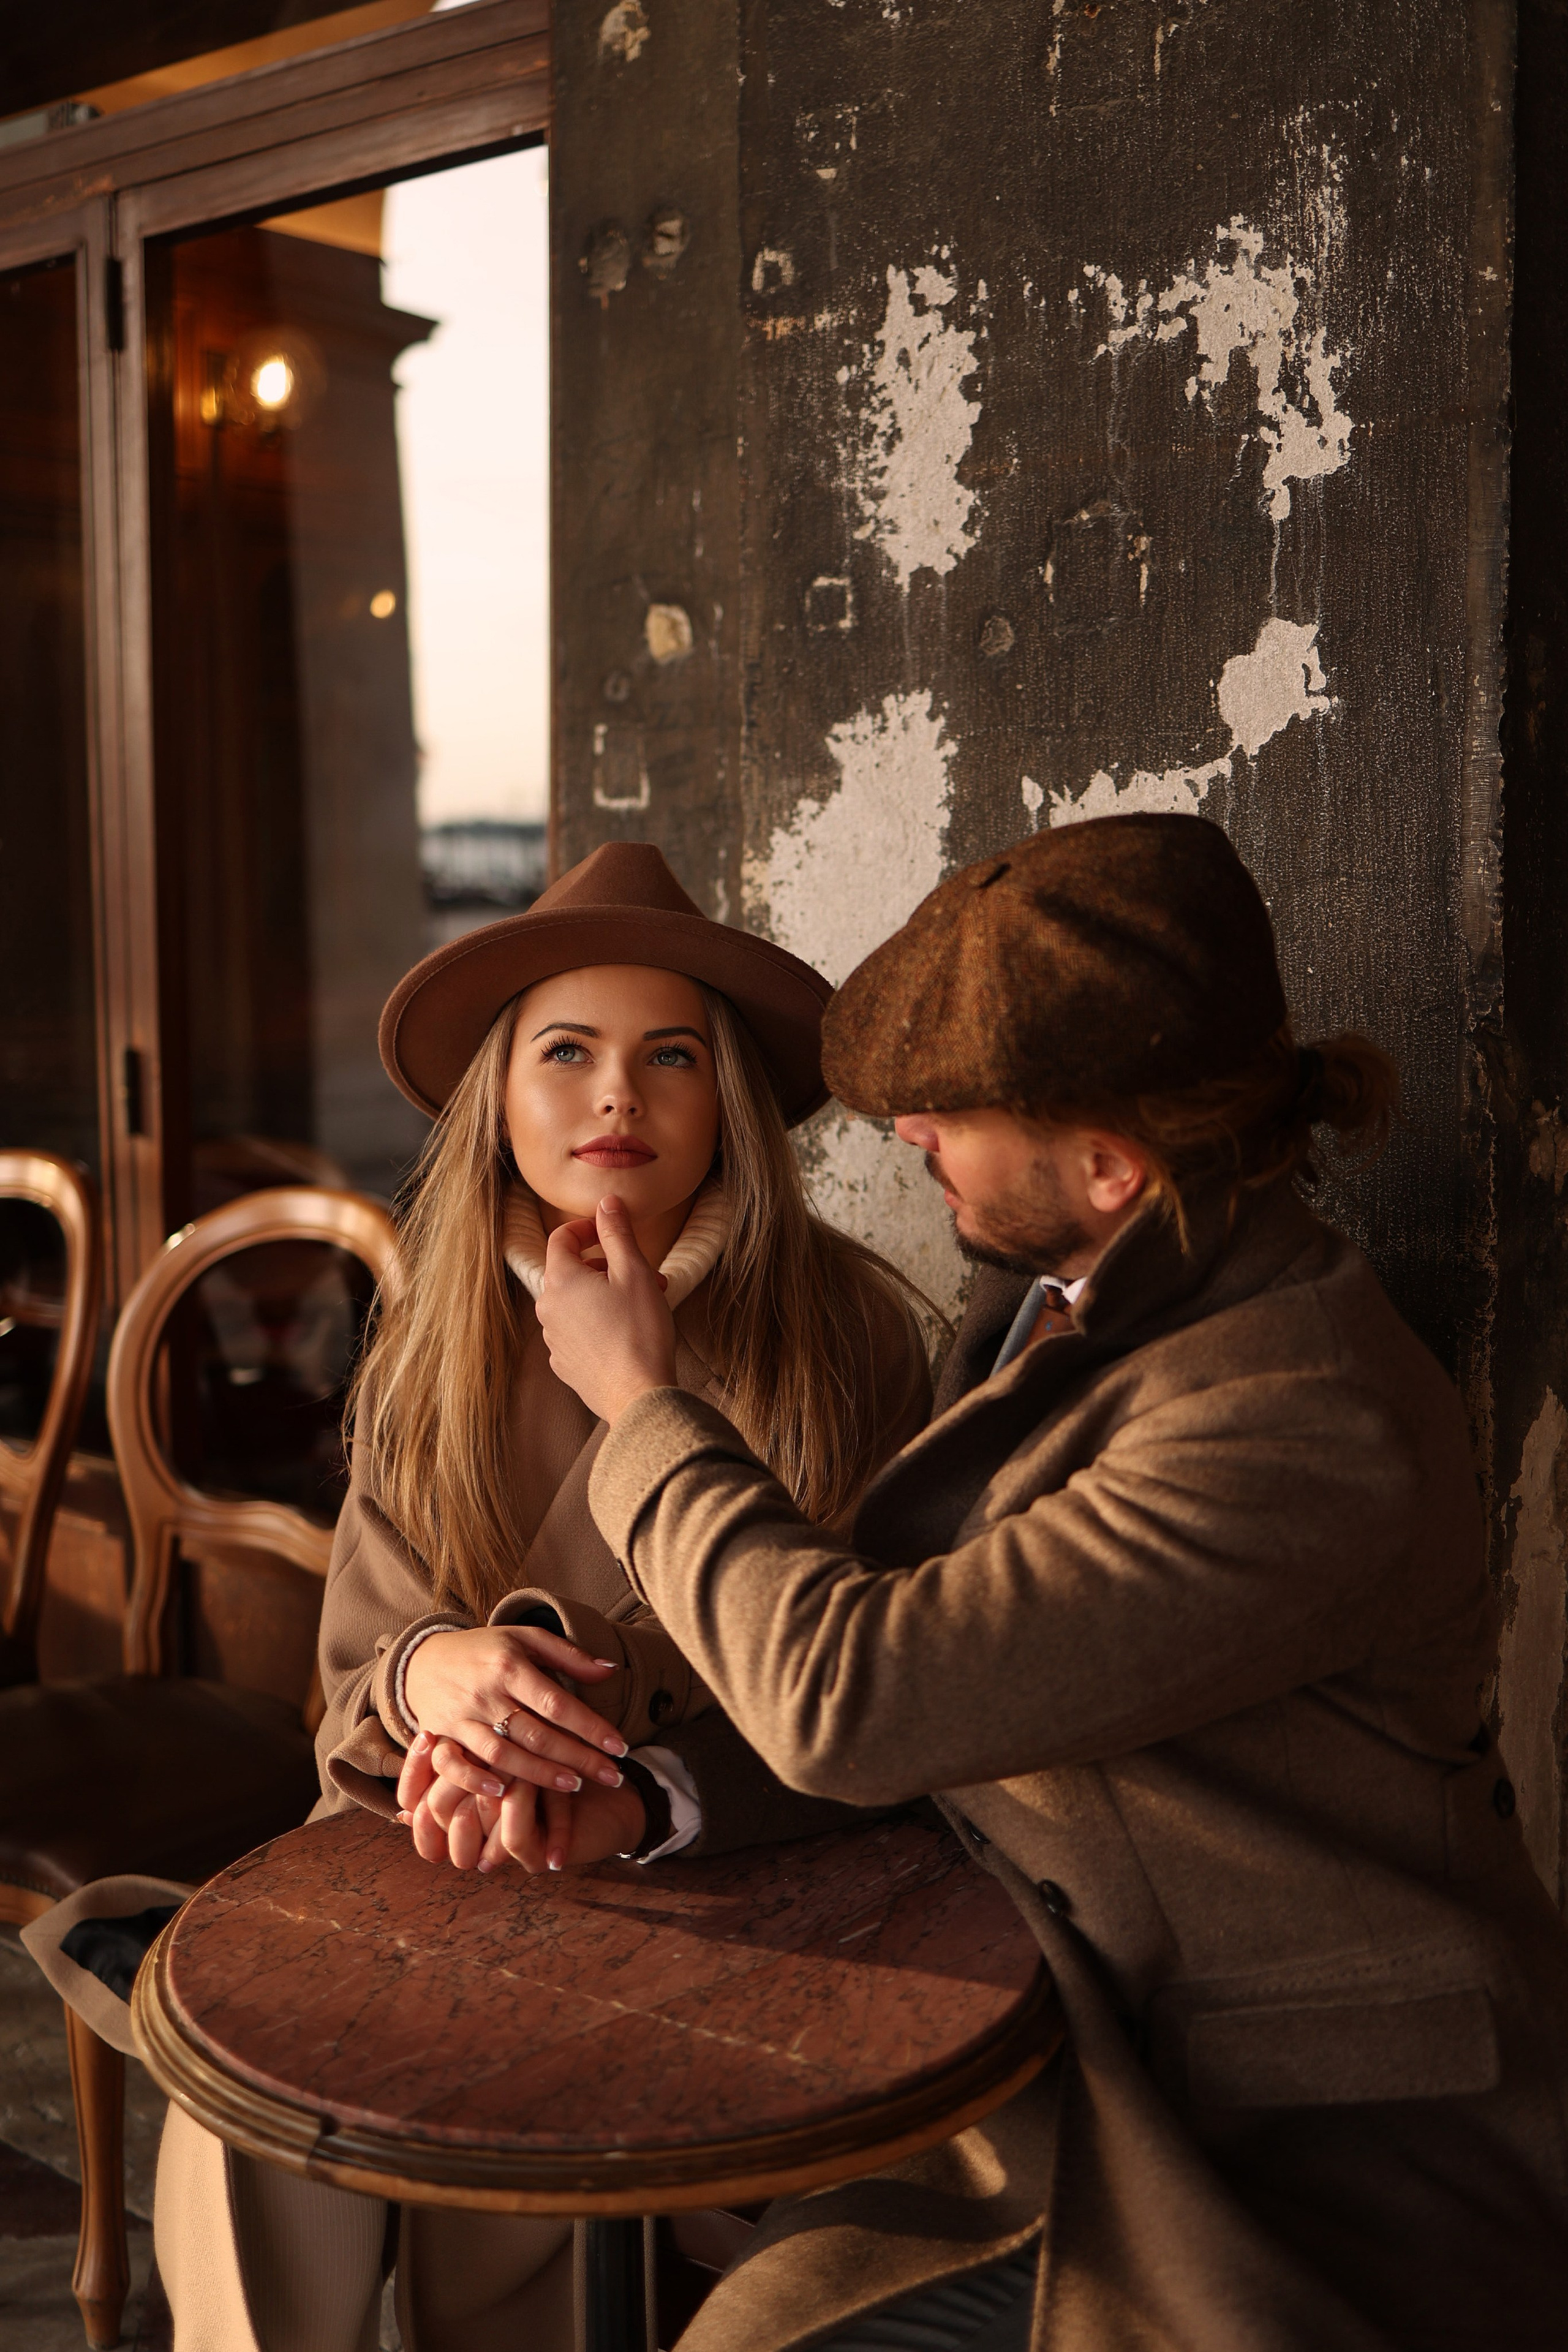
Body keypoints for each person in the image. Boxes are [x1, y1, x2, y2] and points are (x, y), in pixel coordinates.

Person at [521, 815, 1568, 2352]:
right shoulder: (1068, 1304)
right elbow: (956, 1671)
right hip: (1053, 2055)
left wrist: (639, 1406)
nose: (906, 1133)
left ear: (1106, 1163)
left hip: (1297, 2155)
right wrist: (646, 1795)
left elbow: (856, 1696)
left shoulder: (1297, 1423)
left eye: (951, 1109)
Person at [28, 842, 932, 2352]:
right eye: (565, 1052)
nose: (616, 1097)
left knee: (527, 2211)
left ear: (728, 1102)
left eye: (670, 1057)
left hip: (704, 1880)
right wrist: (429, 1676)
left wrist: (554, 1699)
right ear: (495, 1098)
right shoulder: (432, 1333)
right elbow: (352, 1685)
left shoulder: (848, 1338)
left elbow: (856, 1688)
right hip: (420, 1851)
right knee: (255, 2119)